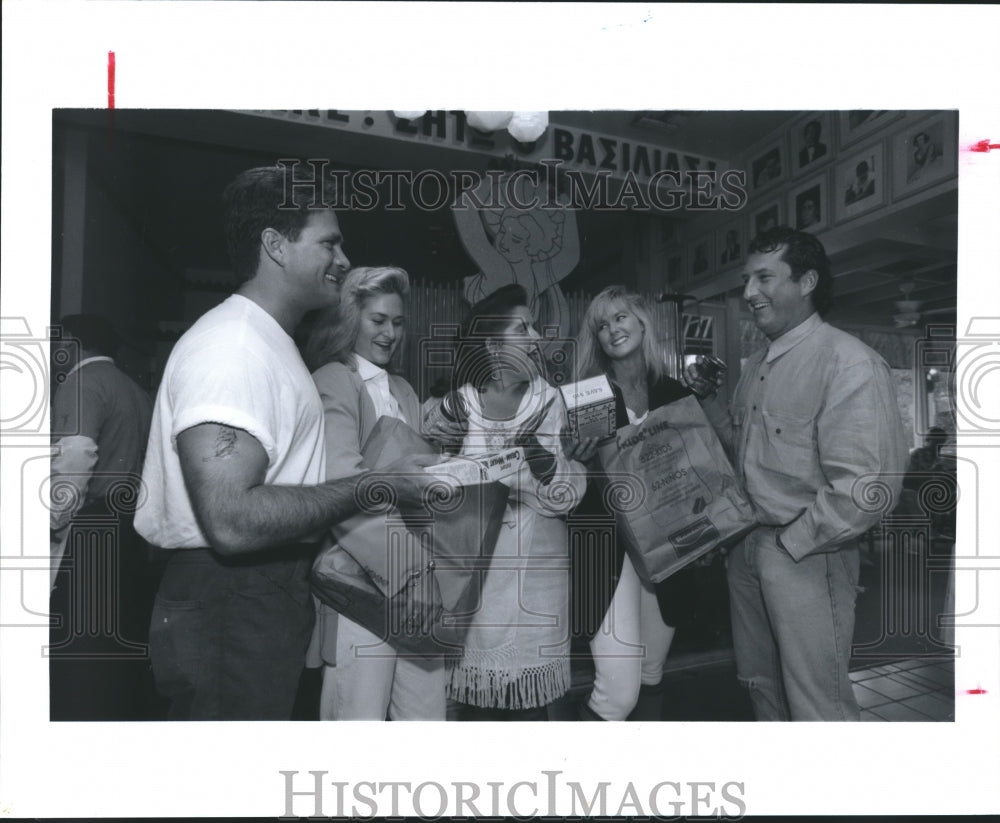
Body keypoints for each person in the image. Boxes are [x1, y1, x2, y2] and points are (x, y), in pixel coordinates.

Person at [134, 165, 440, 720]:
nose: (342, 260)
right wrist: (375, 486)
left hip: (258, 594)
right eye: (329, 242)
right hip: (232, 599)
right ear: (275, 245)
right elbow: (232, 520)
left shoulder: (268, 345)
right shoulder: (233, 348)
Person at [698, 226, 908, 721]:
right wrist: (707, 401)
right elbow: (744, 455)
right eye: (747, 280)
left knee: (817, 703)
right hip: (747, 549)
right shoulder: (755, 366)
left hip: (809, 555)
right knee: (760, 685)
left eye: (764, 278)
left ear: (807, 280)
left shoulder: (848, 362)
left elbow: (866, 488)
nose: (749, 293)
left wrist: (790, 543)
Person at [424, 284, 587, 720]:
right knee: (478, 711)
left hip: (538, 580)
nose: (536, 336)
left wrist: (544, 467)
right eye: (523, 327)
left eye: (533, 325)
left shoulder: (550, 401)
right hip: (473, 579)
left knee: (530, 711)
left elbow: (563, 498)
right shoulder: (458, 405)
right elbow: (429, 487)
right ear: (494, 344)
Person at [302, 266, 446, 720]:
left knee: (425, 721)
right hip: (360, 582)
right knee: (357, 726)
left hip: (416, 579)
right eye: (377, 320)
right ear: (350, 319)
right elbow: (342, 484)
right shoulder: (333, 379)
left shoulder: (402, 388)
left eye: (398, 322)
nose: (390, 333)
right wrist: (414, 574)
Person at [567, 286, 703, 721]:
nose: (612, 330)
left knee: (651, 672)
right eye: (602, 325)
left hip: (668, 545)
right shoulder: (590, 393)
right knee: (617, 694)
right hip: (606, 550)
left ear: (643, 322)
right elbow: (582, 482)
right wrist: (577, 455)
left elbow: (697, 469)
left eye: (620, 317)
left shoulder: (674, 391)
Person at [49, 313, 156, 720]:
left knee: (79, 646)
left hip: (90, 526)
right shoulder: (134, 389)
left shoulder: (80, 382)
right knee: (113, 638)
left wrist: (51, 521)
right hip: (126, 524)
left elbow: (74, 456)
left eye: (57, 344)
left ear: (72, 344)